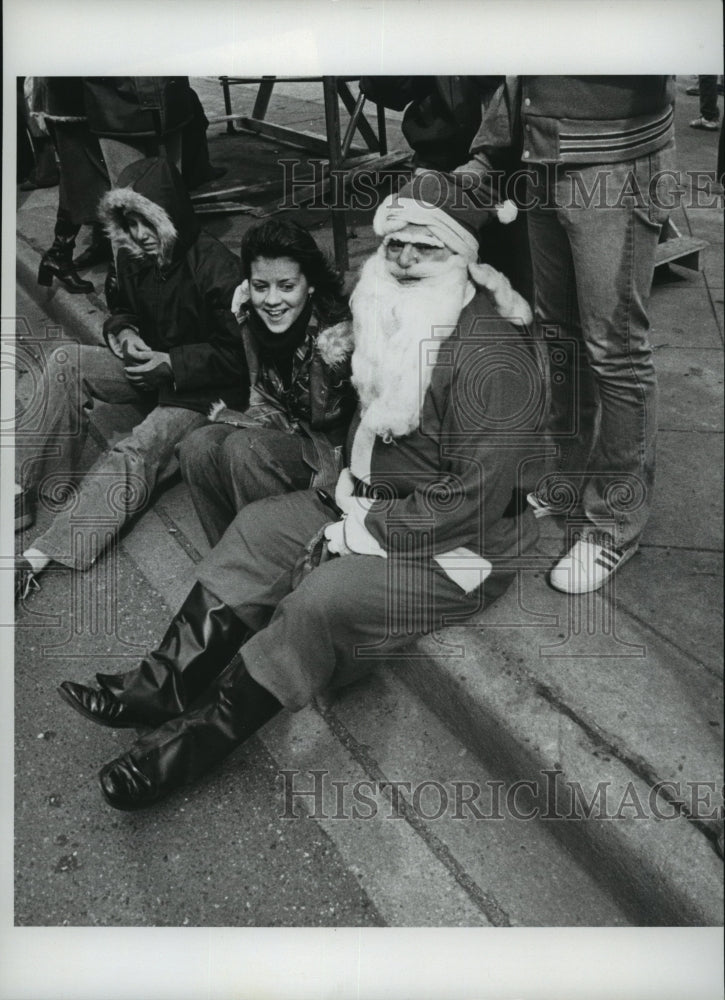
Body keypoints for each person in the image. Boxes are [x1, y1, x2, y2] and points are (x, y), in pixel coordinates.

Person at [56, 171, 545, 812]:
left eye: (424, 247)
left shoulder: (493, 356)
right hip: (363, 497)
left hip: (459, 544)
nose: (401, 260)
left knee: (320, 600)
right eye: (395, 243)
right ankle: (161, 684)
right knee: (256, 532)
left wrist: (360, 532)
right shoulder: (397, 312)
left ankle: (180, 751)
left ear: (460, 256)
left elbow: (473, 501)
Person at [457, 76, 679, 593]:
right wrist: (492, 149)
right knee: (560, 335)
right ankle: (566, 473)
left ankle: (615, 522)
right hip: (543, 154)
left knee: (616, 350)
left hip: (616, 157)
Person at [15, 157, 248, 599]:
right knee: (66, 360)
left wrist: (173, 362)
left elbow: (238, 358)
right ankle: (17, 486)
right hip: (151, 371)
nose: (140, 234)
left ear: (171, 214)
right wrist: (122, 330)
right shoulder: (133, 257)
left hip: (202, 396)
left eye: (148, 221)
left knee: (137, 449)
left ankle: (37, 559)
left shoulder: (219, 267)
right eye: (130, 222)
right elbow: (119, 305)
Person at [178, 218, 355, 547]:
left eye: (287, 286)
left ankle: (270, 561)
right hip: (282, 429)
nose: (272, 300)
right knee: (197, 447)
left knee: (245, 450)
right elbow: (262, 394)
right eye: (261, 286)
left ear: (310, 285)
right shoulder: (251, 318)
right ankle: (229, 557)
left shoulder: (340, 337)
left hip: (332, 455)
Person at [26, 77, 111, 293]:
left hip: (69, 101)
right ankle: (58, 255)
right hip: (69, 103)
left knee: (88, 179)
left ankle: (98, 243)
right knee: (80, 180)